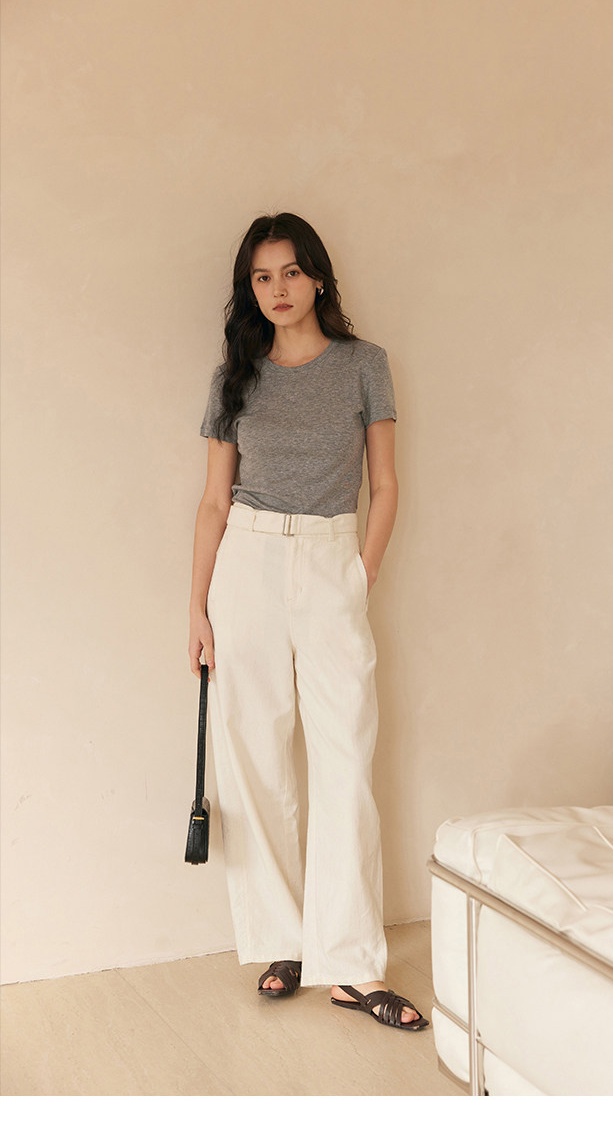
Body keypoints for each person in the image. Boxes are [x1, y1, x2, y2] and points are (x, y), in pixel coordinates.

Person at [188, 213, 428, 1031]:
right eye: (262, 277)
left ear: (318, 276)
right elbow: (214, 500)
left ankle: (352, 965)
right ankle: (283, 942)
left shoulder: (364, 365)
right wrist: (197, 608)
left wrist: (361, 573)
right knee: (255, 758)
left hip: (331, 560)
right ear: (250, 289)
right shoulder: (235, 377)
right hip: (246, 564)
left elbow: (385, 485)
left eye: (291, 272)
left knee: (344, 759)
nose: (278, 289)